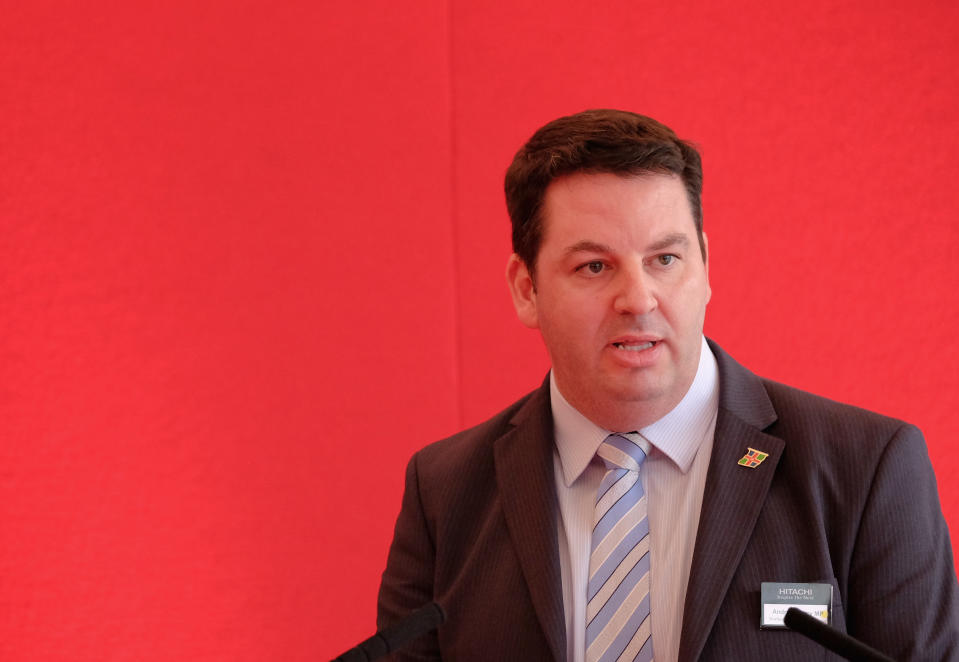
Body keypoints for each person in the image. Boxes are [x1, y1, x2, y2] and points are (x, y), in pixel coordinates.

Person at [376, 109, 959, 661]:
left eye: (664, 259)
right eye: (594, 267)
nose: (637, 299)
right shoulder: (445, 492)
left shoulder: (866, 468)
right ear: (526, 288)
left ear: (704, 265)